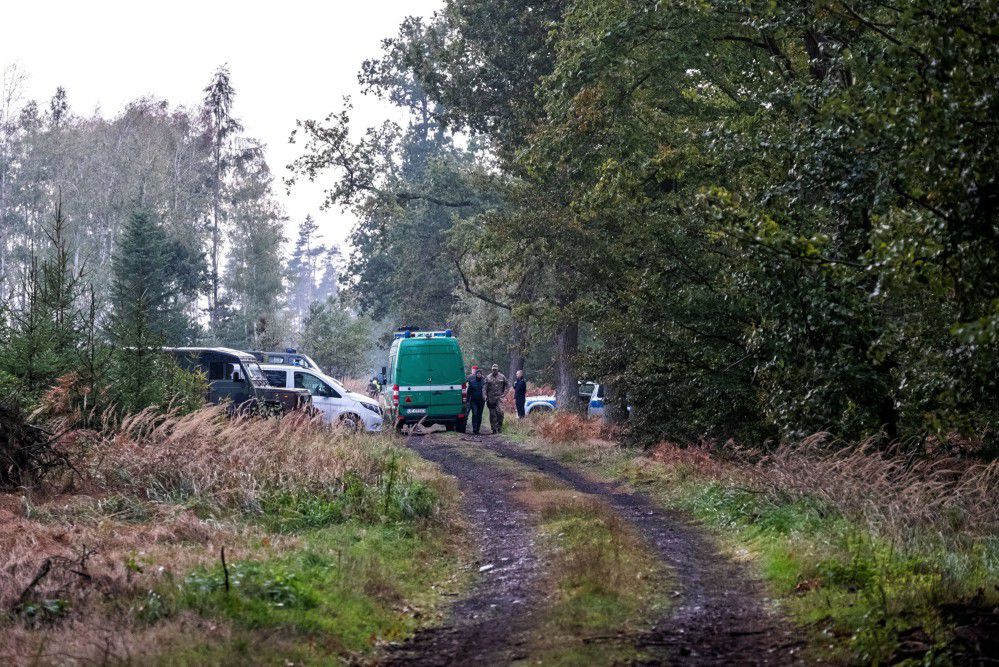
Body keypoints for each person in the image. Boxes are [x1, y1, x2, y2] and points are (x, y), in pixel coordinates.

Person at [484, 363, 508, 434]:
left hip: (499, 398)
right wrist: (485, 396)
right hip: (491, 398)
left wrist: (504, 394)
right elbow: (484, 388)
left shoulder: (502, 376)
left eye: (495, 369)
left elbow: (507, 385)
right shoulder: (488, 377)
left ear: (498, 369)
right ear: (492, 369)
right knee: (492, 414)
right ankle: (494, 429)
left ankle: (499, 427)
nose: (494, 371)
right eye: (493, 369)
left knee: (500, 412)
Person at [466, 368, 486, 434]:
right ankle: (474, 429)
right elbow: (469, 392)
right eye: (477, 373)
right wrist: (467, 400)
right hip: (473, 401)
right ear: (476, 374)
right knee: (475, 414)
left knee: (479, 415)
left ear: (481, 375)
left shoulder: (484, 382)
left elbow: (487, 390)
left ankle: (477, 429)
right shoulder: (472, 382)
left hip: (481, 401)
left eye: (480, 374)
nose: (479, 375)